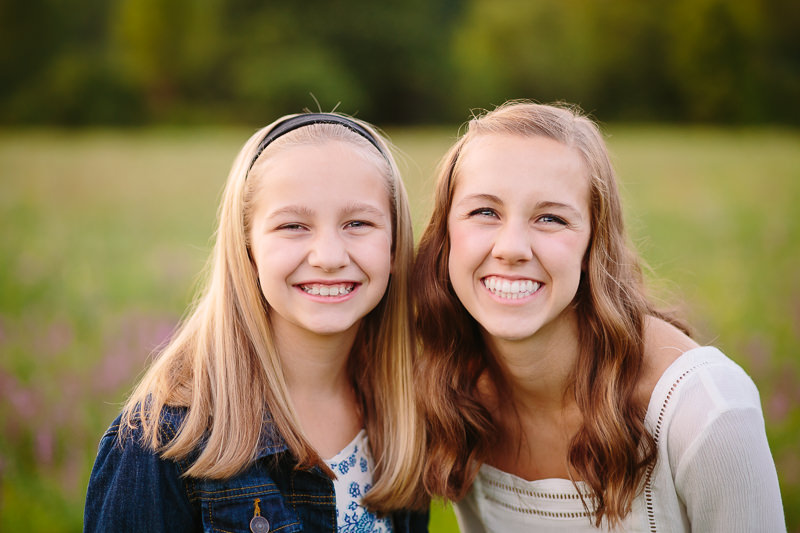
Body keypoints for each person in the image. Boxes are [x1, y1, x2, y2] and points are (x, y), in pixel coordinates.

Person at [413, 101, 785, 532]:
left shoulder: (705, 411)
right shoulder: (452, 397)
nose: (511, 247)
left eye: (550, 218)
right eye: (485, 212)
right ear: (445, 237)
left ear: (594, 246)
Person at [84, 113, 428, 532]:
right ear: (247, 248)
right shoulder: (162, 442)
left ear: (394, 246)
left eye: (358, 224)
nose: (329, 256)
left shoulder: (403, 419)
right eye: (293, 226)